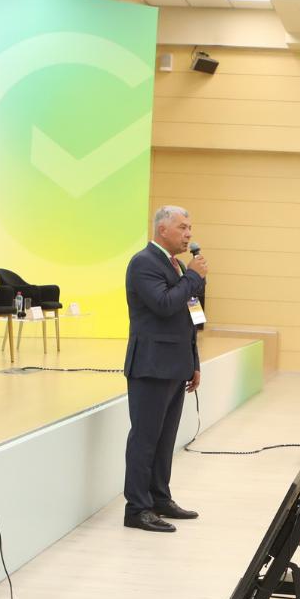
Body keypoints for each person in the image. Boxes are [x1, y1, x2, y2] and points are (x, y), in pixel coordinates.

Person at [120, 206, 208, 534]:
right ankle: (136, 509)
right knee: (145, 440)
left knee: (165, 439)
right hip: (151, 365)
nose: (189, 234)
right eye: (182, 227)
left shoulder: (179, 266)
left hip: (176, 365)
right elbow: (164, 304)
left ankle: (159, 498)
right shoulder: (143, 262)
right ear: (162, 230)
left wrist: (193, 362)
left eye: (189, 228)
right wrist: (193, 278)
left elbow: (191, 316)